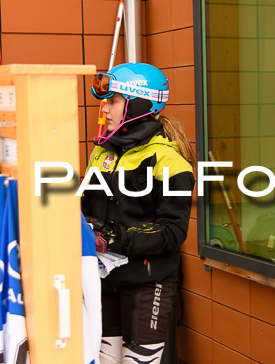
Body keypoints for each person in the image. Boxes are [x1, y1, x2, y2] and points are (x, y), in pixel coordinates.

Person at [81, 63, 195, 364]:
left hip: (148, 280)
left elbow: (173, 231)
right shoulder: (103, 152)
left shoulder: (168, 160)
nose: (104, 109)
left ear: (138, 105)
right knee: (105, 360)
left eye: (113, 101)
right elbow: (85, 206)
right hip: (104, 277)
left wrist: (113, 237)